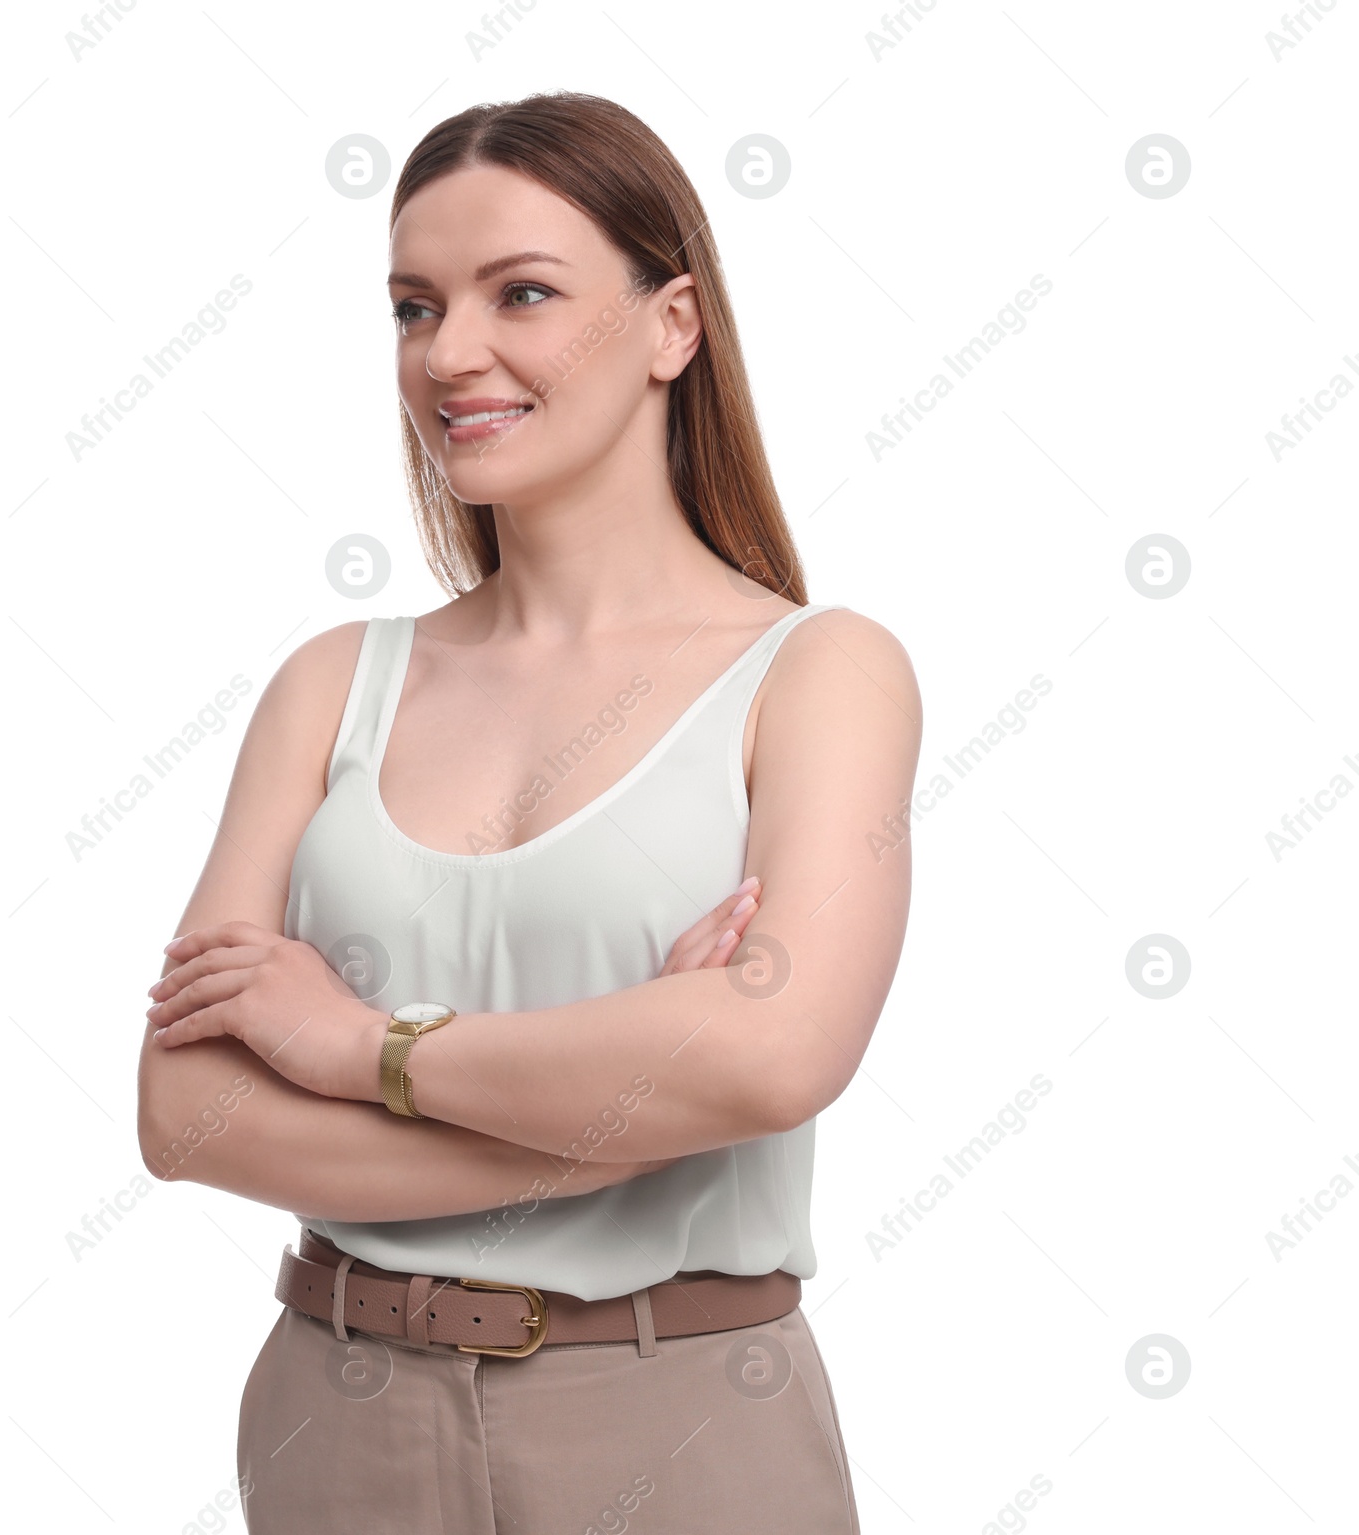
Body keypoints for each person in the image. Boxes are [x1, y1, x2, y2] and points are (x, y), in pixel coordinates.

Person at [137, 89, 920, 1534]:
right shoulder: (334, 684)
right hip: (333, 1409)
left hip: (676, 1416)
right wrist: (618, 1126)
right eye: (413, 305)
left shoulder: (817, 674)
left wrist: (357, 1044)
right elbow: (188, 1115)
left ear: (672, 325)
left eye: (526, 293)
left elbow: (771, 1052)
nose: (451, 352)